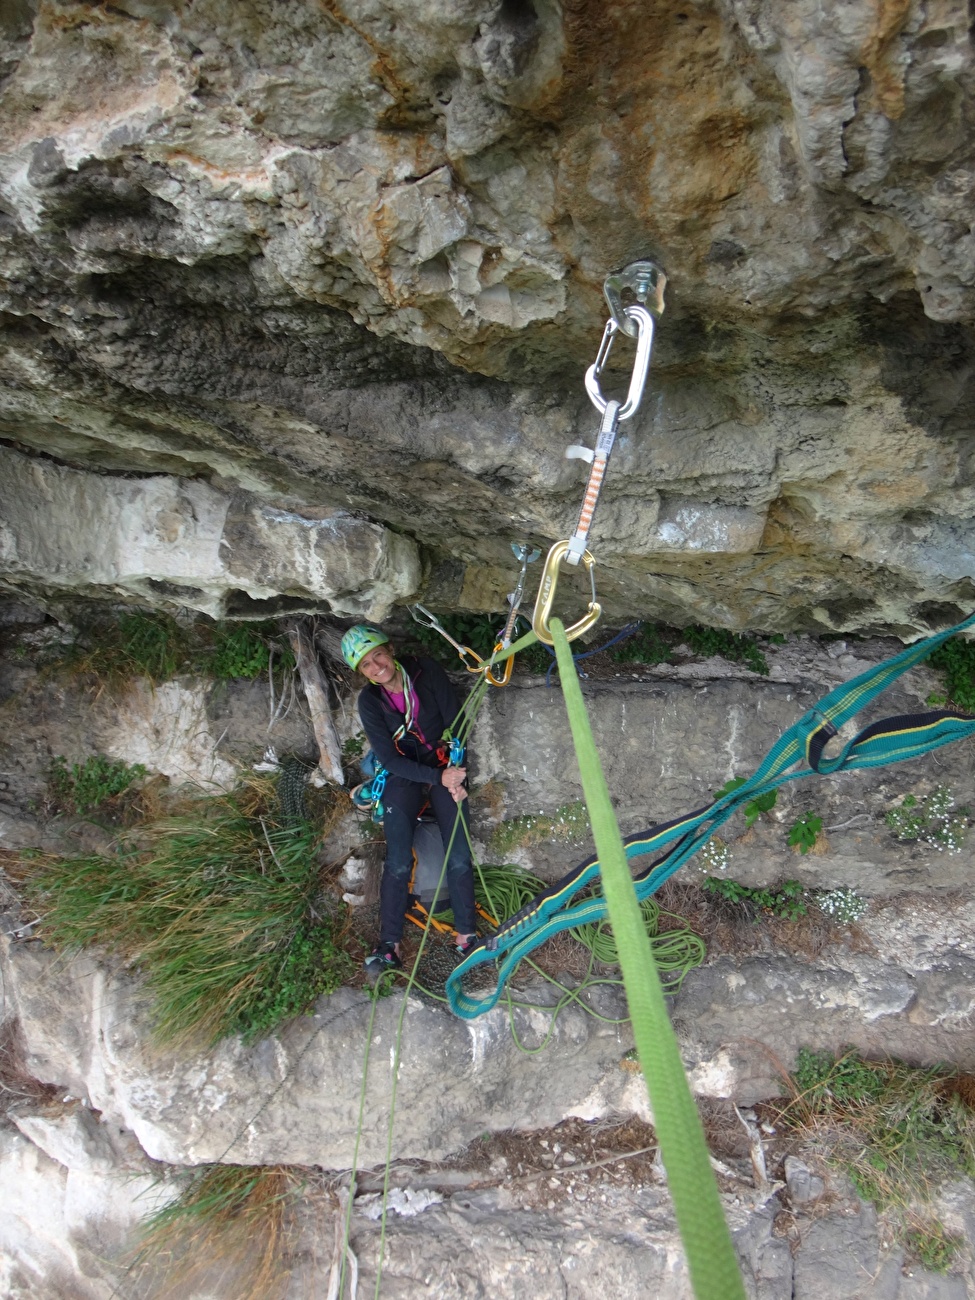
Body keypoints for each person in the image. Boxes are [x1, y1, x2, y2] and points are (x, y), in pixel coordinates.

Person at [341, 625, 478, 975]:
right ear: (362, 673)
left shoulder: (424, 671)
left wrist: (459, 776)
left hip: (444, 762)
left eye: (378, 656)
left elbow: (457, 724)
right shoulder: (370, 702)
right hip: (406, 773)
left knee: (458, 852)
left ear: (389, 650)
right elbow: (388, 758)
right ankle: (390, 944)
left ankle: (466, 935)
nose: (377, 667)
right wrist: (437, 778)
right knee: (399, 859)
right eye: (367, 665)